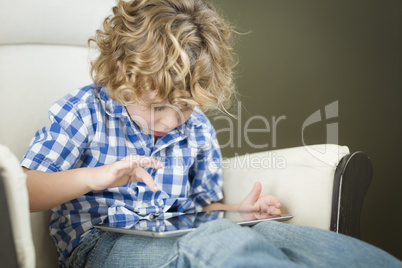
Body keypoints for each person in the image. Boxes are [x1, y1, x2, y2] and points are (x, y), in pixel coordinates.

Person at [21, 0, 402, 267]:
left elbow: (201, 209)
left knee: (302, 244)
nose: (173, 121)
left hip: (180, 231)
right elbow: (19, 191)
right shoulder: (85, 111)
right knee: (214, 245)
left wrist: (239, 212)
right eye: (160, 106)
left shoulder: (196, 128)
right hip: (102, 247)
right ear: (122, 71)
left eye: (185, 106)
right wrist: (95, 177)